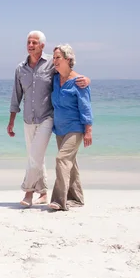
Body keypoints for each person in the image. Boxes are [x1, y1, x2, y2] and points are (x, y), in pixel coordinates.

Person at [8, 31, 90, 207]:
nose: (30, 45)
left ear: (41, 45)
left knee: (36, 155)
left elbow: (68, 71)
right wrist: (11, 120)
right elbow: (16, 95)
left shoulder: (52, 63)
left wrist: (86, 79)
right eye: (28, 42)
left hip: (47, 117)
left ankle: (28, 192)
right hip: (28, 118)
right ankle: (44, 192)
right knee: (35, 156)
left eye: (34, 42)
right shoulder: (20, 68)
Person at [48, 44, 93, 211]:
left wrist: (88, 130)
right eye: (53, 58)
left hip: (75, 128)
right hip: (60, 129)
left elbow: (86, 107)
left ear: (68, 59)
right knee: (70, 164)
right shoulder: (55, 78)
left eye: (58, 58)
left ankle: (59, 201)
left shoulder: (79, 81)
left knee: (61, 159)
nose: (55, 61)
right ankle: (77, 198)